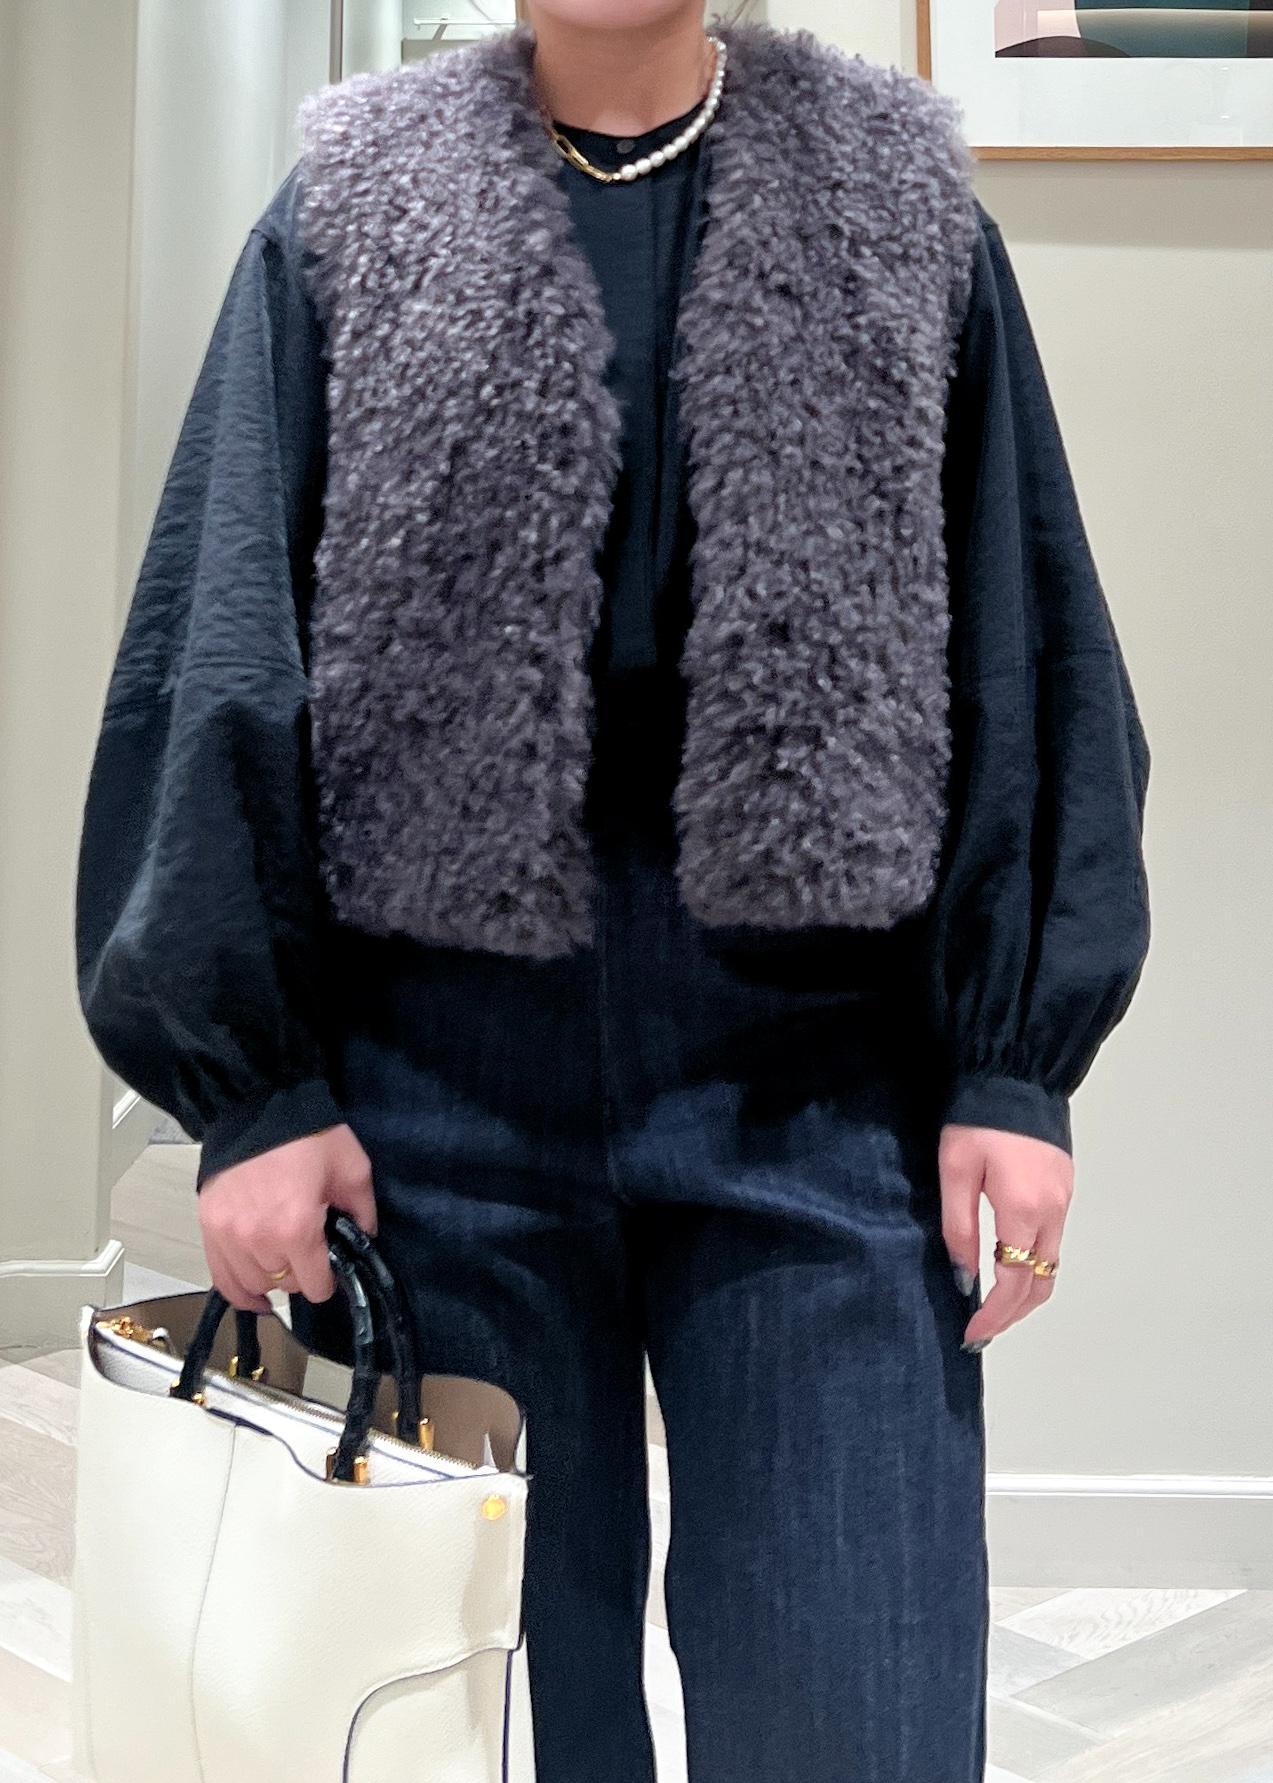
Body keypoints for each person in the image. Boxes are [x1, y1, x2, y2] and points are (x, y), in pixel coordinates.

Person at [73, 3, 1151, 1778]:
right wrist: (250, 1087)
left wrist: (1012, 1060)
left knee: (854, 1700)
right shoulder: (357, 199)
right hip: (436, 1073)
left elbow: (1021, 641)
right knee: (473, 1708)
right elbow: (222, 643)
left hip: (817, 1072)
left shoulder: (895, 200)